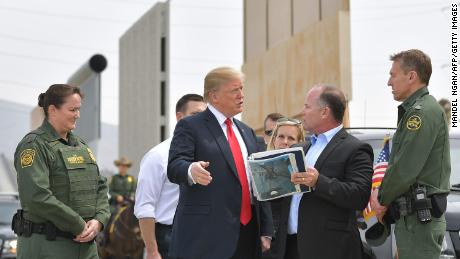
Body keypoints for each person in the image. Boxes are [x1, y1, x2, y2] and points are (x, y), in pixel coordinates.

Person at [167, 67, 274, 259]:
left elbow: (257, 183)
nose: (241, 95)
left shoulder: (247, 132)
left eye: (242, 89)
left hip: (247, 234)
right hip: (207, 236)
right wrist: (191, 170)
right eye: (235, 90)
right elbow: (175, 166)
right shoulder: (190, 126)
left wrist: (266, 228)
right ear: (213, 96)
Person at [13, 84, 110, 259]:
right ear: (53, 110)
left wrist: (99, 221)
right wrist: (78, 224)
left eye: (78, 109)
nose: (78, 115)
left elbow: (101, 186)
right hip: (48, 247)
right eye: (72, 109)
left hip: (86, 249)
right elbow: (37, 196)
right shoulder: (34, 145)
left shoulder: (81, 146)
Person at [371, 49, 451, 259]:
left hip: (419, 221)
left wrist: (381, 200)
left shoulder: (421, 113)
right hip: (413, 220)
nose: (389, 82)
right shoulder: (419, 110)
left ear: (412, 76)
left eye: (393, 75)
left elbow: (404, 168)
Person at [289, 84, 373, 259]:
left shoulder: (355, 148)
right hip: (290, 246)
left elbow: (359, 195)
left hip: (329, 248)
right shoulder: (299, 148)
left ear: (324, 112)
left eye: (307, 106)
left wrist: (318, 182)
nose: (302, 112)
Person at [134, 94, 206, 259]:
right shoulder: (158, 156)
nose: (201, 121)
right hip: (168, 238)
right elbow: (145, 207)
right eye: (195, 115)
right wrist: (152, 251)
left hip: (202, 236)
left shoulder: (209, 153)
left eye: (204, 116)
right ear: (180, 118)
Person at [262, 118, 306, 259]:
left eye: (291, 138)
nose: (285, 142)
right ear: (274, 140)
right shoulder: (260, 165)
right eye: (281, 136)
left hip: (297, 242)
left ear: (300, 142)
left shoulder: (307, 169)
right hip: (270, 242)